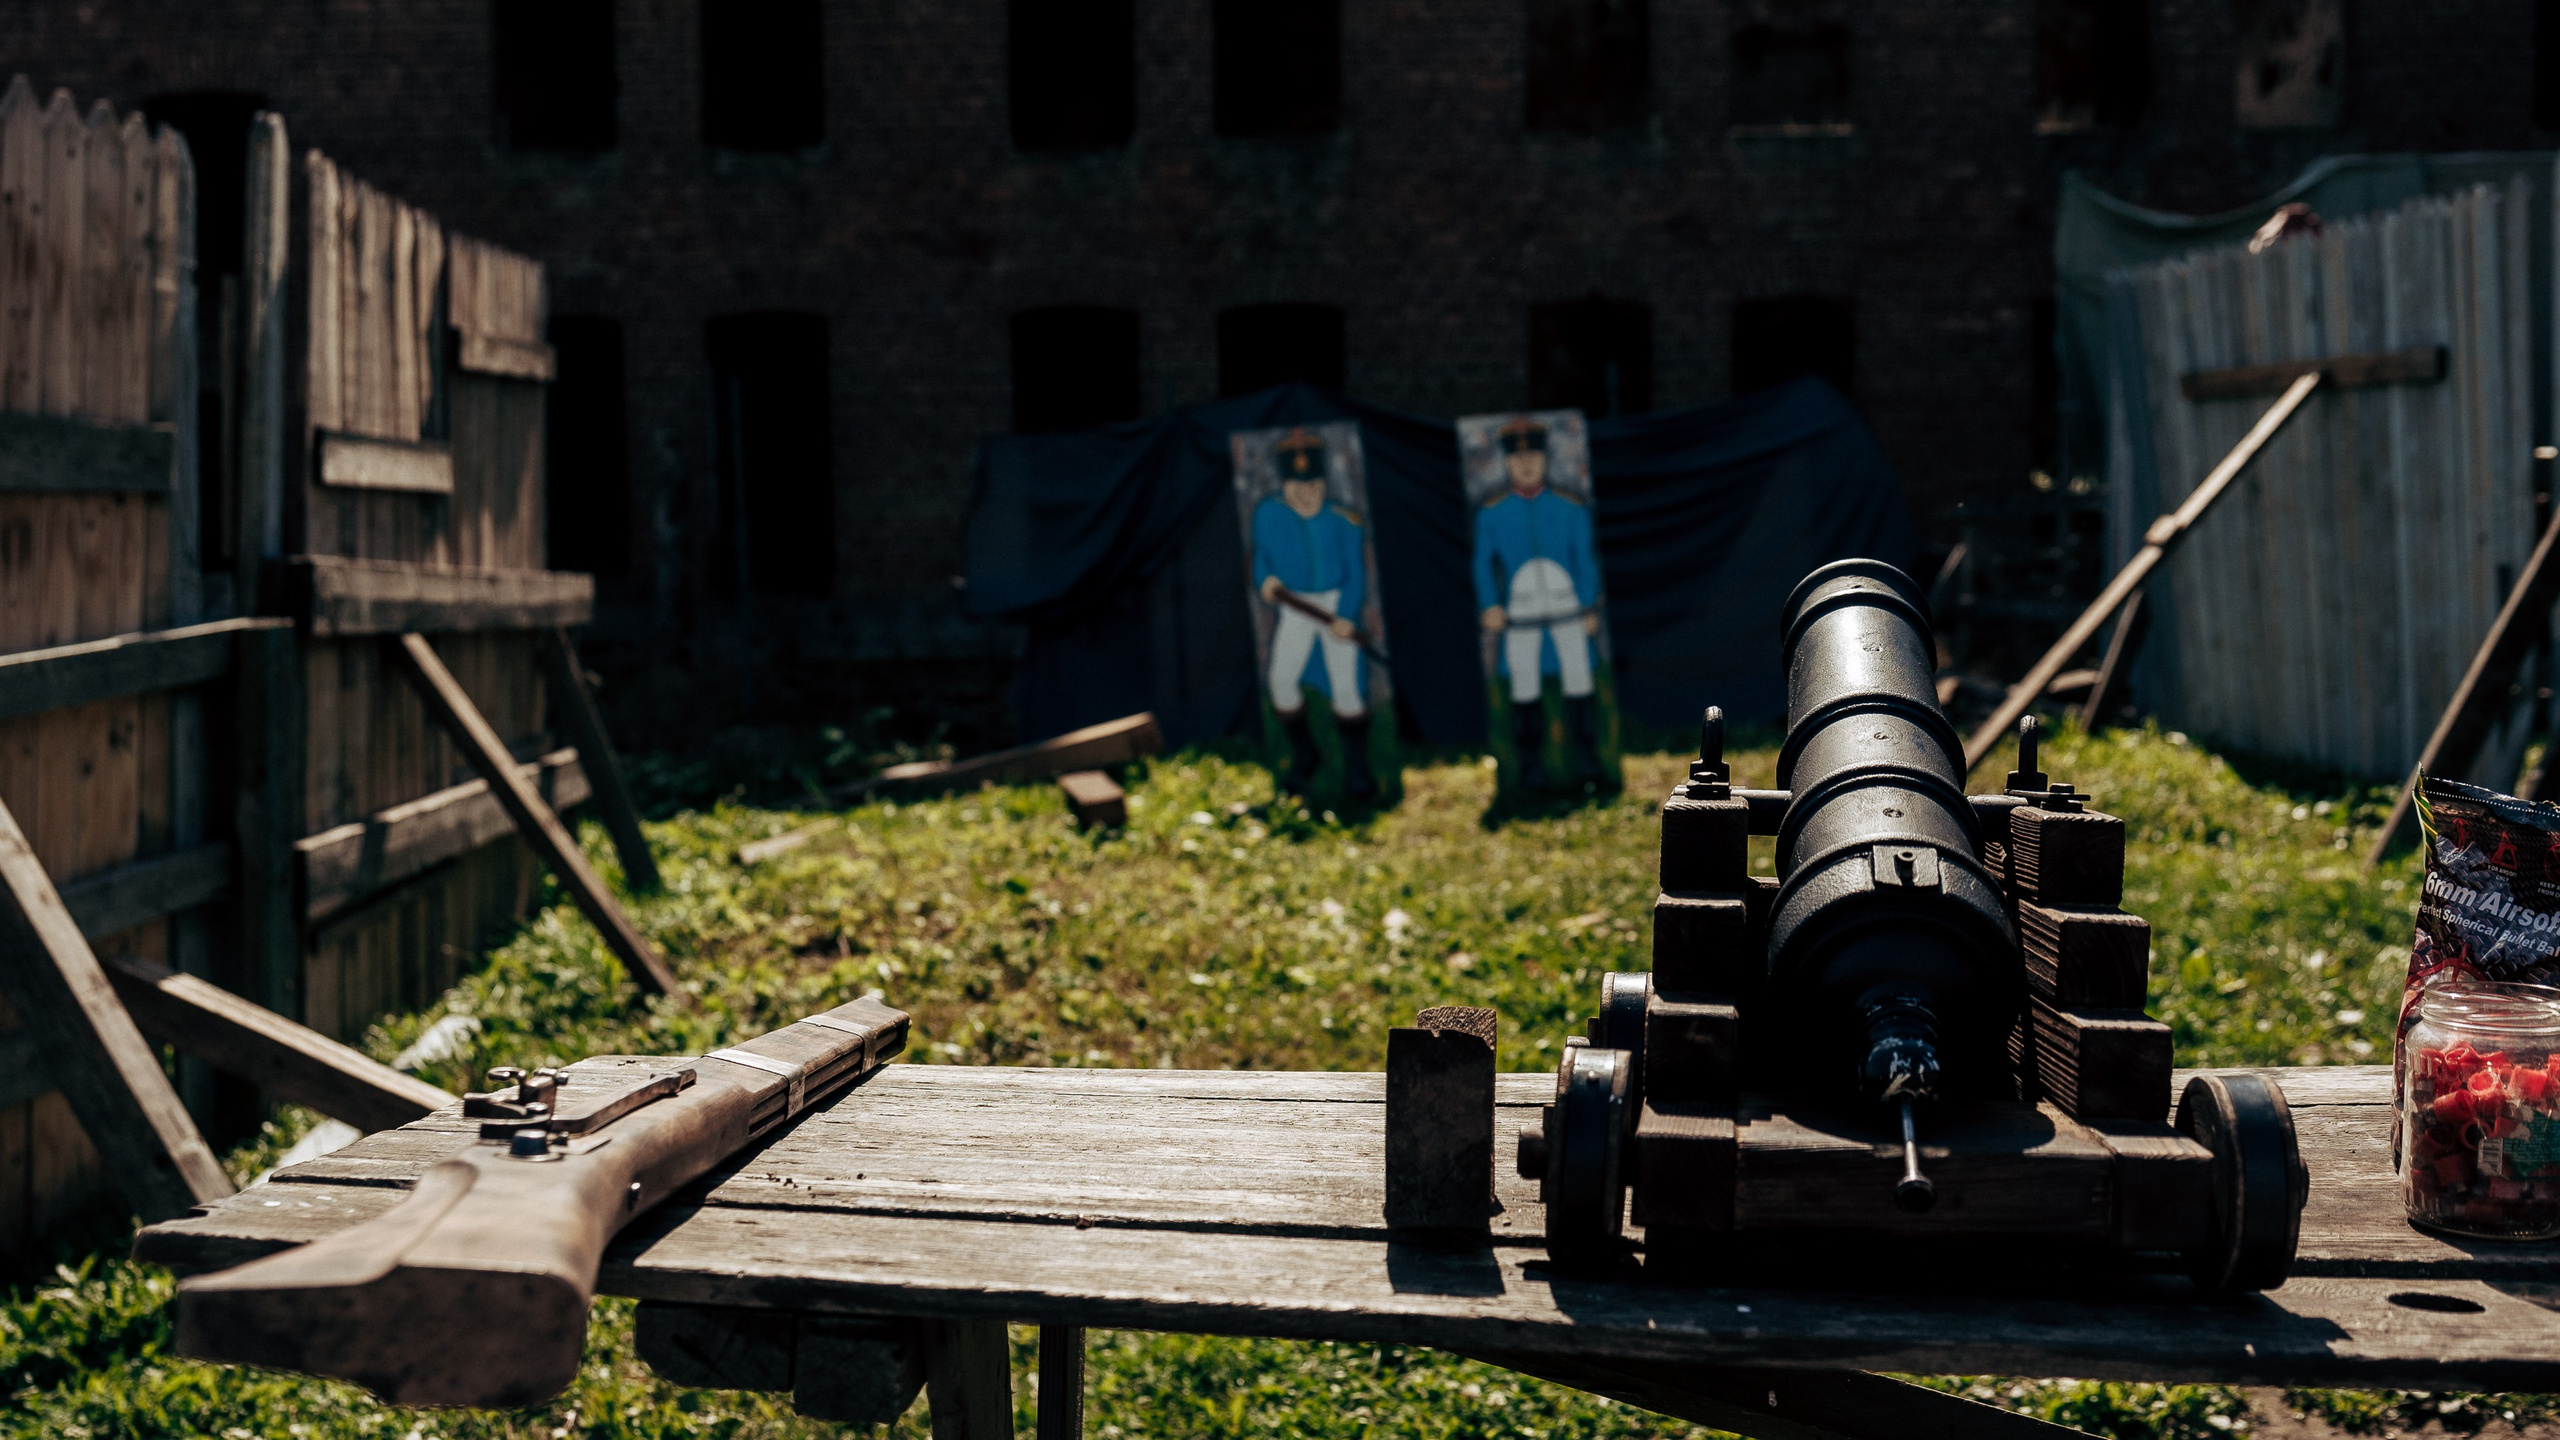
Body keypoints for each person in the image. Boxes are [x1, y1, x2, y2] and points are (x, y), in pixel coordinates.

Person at [1473, 415, 1603, 787]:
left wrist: (1589, 605)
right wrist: (1490, 604)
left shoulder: (1569, 508)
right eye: (1518, 459)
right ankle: (1529, 766)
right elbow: (1483, 562)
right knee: (1523, 686)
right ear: (1508, 463)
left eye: (1532, 457)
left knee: (1580, 683)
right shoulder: (1492, 513)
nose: (1526, 465)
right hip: (1520, 613)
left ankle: (1587, 761)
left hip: (1568, 610)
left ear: (1543, 460)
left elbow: (1585, 559)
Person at [1251, 428, 1379, 799]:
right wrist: (1266, 580)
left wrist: (1347, 615)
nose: (1306, 496)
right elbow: (1260, 558)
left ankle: (1358, 770)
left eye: (1313, 487)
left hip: (1335, 605)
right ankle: (1306, 754)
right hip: (1295, 606)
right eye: (1297, 488)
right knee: (1281, 680)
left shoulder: (1345, 521)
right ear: (1285, 487)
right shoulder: (1268, 515)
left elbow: (1356, 573)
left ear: (1323, 484)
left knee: (1347, 688)